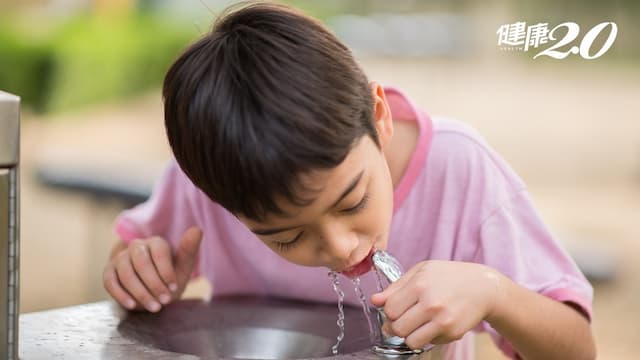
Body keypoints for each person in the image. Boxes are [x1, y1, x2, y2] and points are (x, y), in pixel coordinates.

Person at [102, 2, 595, 359]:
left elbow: (577, 348)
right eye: (287, 236)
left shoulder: (458, 169)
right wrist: (138, 270)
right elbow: (135, 253)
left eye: (353, 201)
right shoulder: (217, 177)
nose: (340, 247)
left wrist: (495, 293)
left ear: (378, 117)